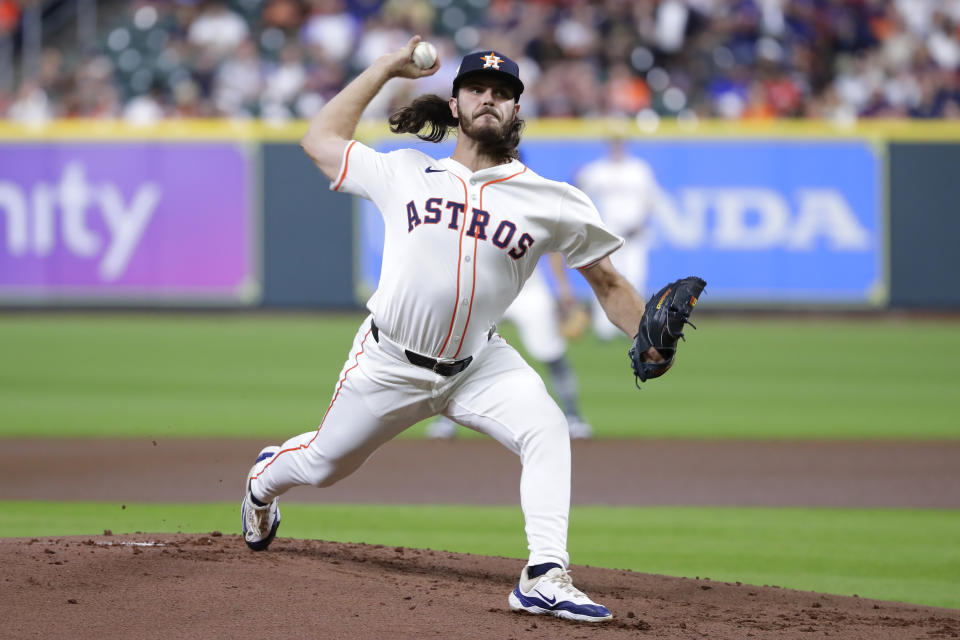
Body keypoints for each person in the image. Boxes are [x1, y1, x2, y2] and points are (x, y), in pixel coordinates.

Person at [240, 37, 664, 624]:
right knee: (322, 465)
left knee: (546, 426)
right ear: (456, 103)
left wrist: (650, 336)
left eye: (503, 93)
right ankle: (263, 481)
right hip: (389, 363)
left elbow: (611, 286)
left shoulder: (553, 201)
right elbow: (319, 139)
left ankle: (545, 573)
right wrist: (387, 67)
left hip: (478, 364)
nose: (490, 99)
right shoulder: (406, 171)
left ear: (516, 110)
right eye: (477, 90)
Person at [426, 253, 593, 439]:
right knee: (463, 355)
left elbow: (553, 251)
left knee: (552, 354)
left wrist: (565, 292)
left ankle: (573, 416)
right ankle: (446, 420)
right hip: (487, 292)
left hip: (529, 291)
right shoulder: (477, 222)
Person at [576, 136, 660, 340]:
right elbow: (577, 186)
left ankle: (636, 327)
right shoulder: (597, 170)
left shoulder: (639, 170)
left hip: (634, 233)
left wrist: (642, 223)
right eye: (613, 144)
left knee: (635, 279)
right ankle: (603, 329)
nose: (616, 148)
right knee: (605, 279)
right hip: (608, 232)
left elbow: (652, 200)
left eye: (619, 144)